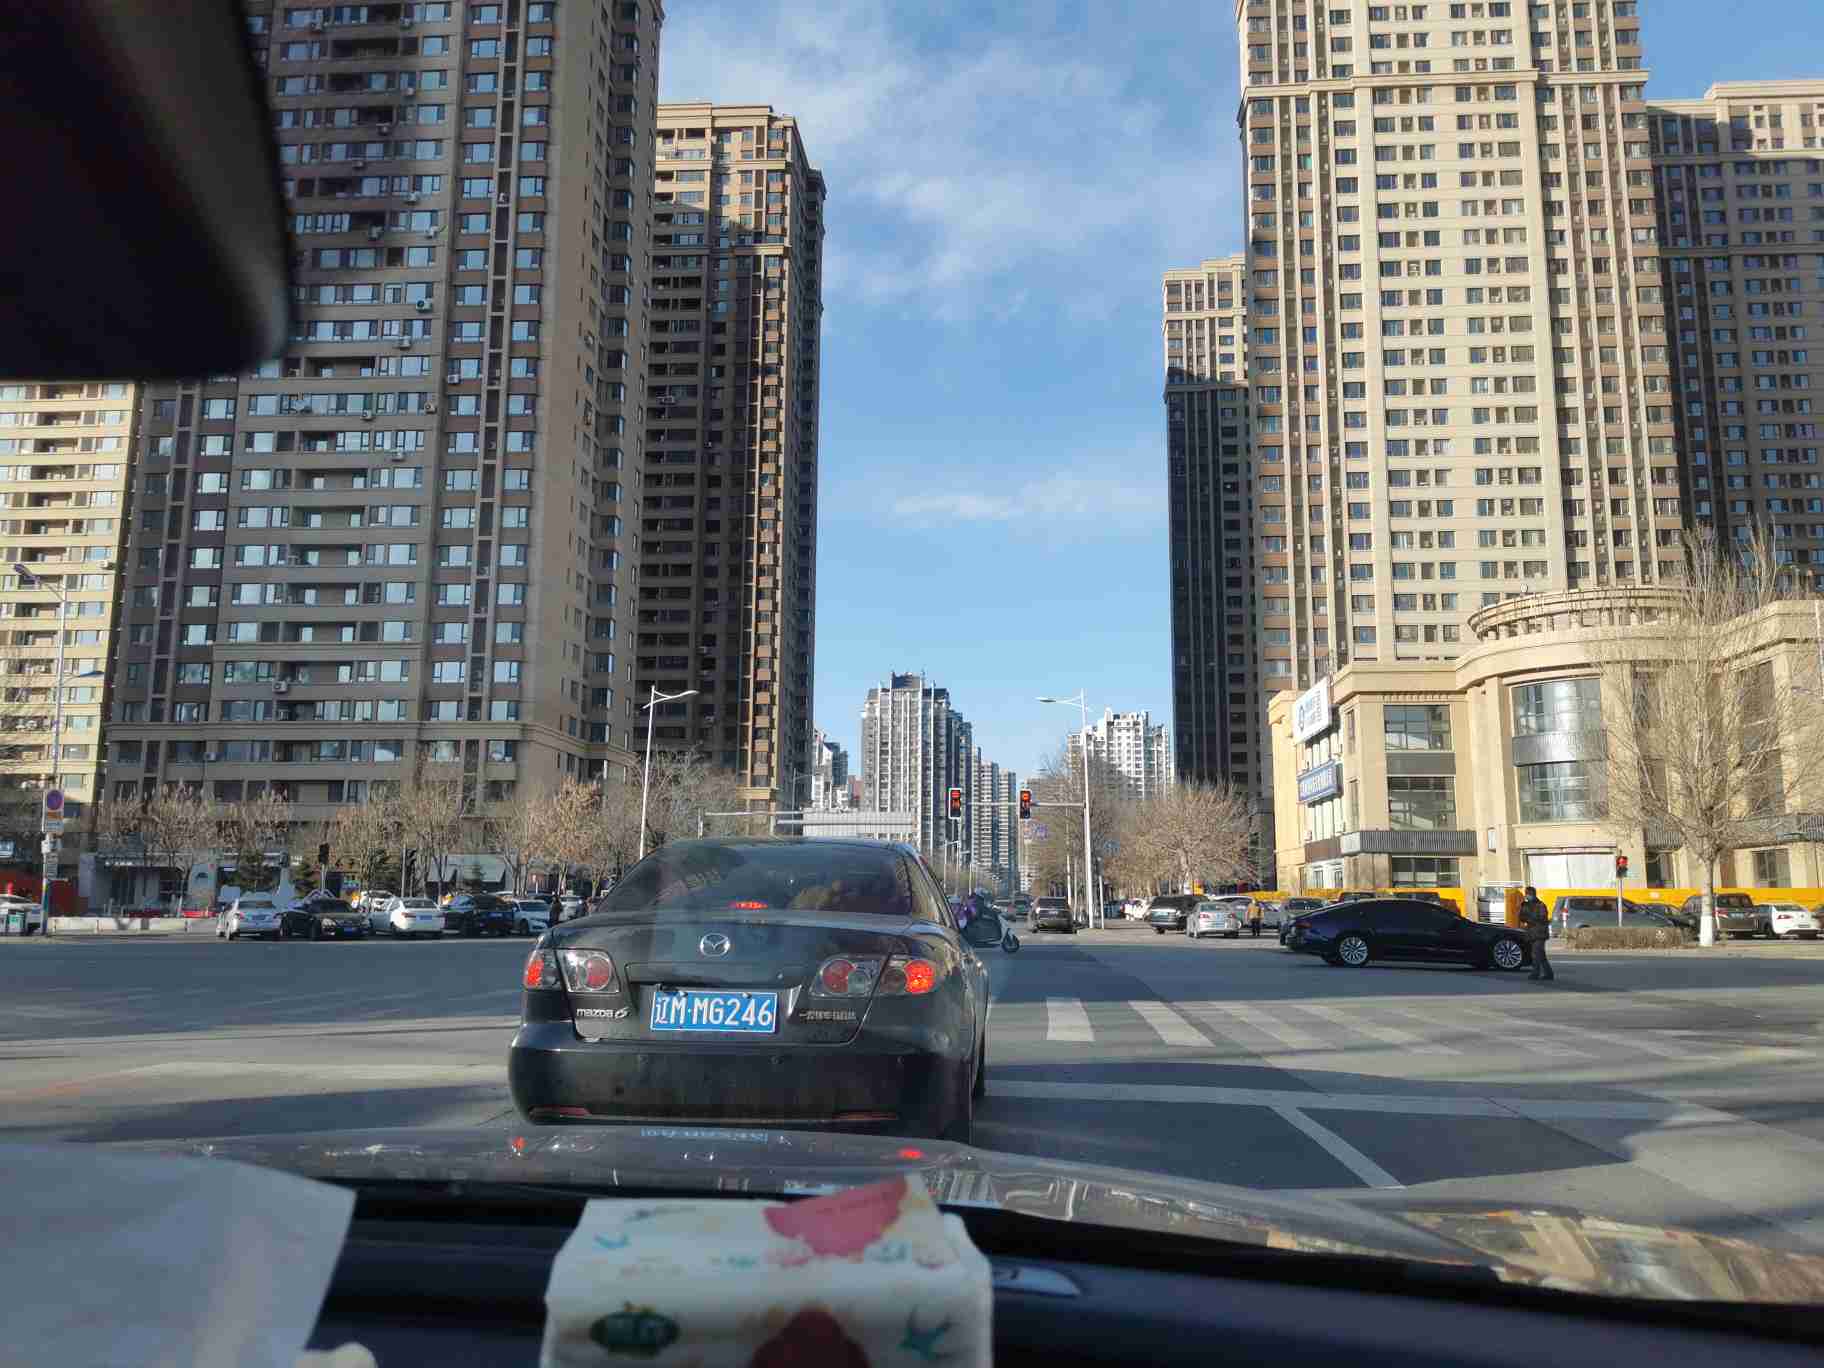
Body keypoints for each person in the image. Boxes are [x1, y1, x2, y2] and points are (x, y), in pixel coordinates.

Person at [1519, 885, 1554, 981]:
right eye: (1526, 894)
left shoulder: (1541, 905)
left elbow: (1542, 918)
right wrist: (1524, 912)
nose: (1527, 896)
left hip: (1540, 933)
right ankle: (1549, 973)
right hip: (1531, 932)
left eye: (1529, 894)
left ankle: (1535, 973)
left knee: (1535, 954)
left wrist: (1529, 918)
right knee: (1540, 954)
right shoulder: (1525, 905)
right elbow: (1521, 917)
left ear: (1533, 894)